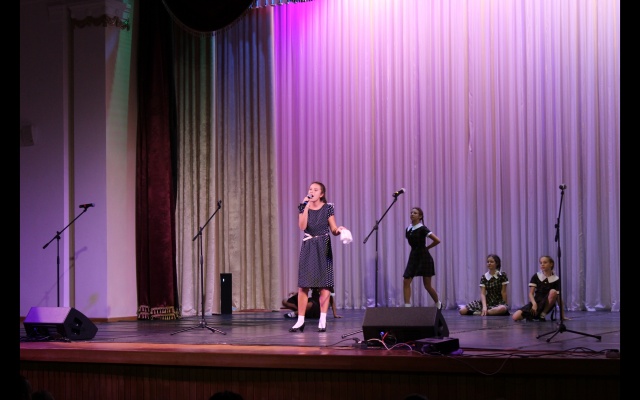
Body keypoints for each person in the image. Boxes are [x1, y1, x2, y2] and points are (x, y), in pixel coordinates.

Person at [290, 181, 348, 333]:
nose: (312, 191)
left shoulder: (328, 208)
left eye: (316, 190)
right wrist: (305, 207)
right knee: (303, 285)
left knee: (324, 284)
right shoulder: (303, 206)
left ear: (321, 194)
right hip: (308, 245)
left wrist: (339, 230)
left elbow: (333, 229)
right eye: (310, 189)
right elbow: (302, 226)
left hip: (323, 245)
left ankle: (323, 320)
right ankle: (300, 320)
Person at [403, 207, 442, 309]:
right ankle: (407, 307)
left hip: (424, 258)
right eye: (411, 212)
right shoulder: (408, 228)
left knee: (427, 285)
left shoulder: (423, 228)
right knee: (406, 281)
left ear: (420, 216)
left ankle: (438, 303)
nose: (412, 214)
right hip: (413, 257)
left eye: (415, 213)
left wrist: (427, 248)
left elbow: (437, 240)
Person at [512, 255, 560, 321]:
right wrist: (534, 304)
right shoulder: (537, 276)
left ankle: (543, 314)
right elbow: (531, 293)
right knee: (515, 317)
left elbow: (558, 297)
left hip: (547, 303)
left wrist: (562, 316)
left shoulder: (556, 279)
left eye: (545, 262)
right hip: (537, 301)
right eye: (541, 263)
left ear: (551, 264)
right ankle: (534, 315)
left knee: (553, 292)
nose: (542, 264)